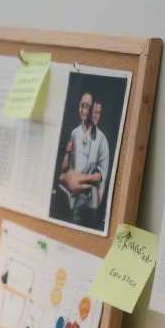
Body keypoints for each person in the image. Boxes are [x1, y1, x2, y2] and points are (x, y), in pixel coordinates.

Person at [58, 92, 110, 228]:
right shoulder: (75, 133)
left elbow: (100, 176)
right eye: (91, 110)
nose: (94, 115)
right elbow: (65, 167)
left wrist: (79, 178)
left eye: (98, 112)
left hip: (88, 203)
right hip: (70, 198)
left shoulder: (102, 140)